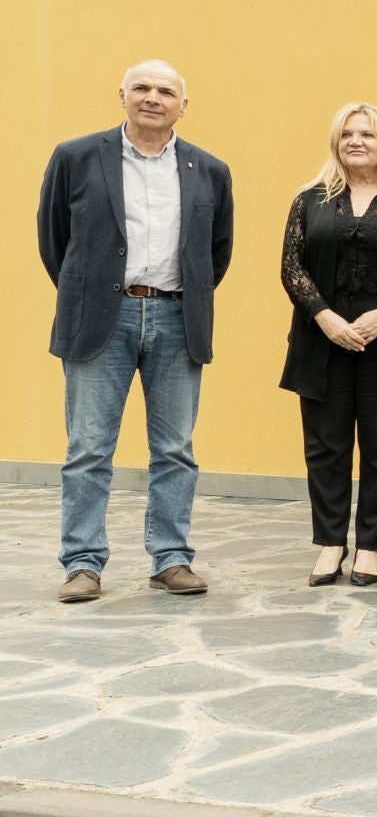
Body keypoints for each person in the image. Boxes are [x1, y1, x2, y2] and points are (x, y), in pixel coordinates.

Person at [37, 60, 234, 604]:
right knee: (88, 448)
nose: (154, 97)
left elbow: (216, 253)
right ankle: (82, 563)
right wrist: (92, 292)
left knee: (174, 449)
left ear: (183, 105)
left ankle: (171, 558)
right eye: (142, 88)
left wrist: (176, 294)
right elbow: (55, 240)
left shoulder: (210, 170)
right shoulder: (76, 157)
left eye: (166, 91)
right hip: (102, 316)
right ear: (121, 95)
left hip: (177, 318)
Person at [280, 103, 377, 587]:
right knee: (325, 448)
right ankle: (331, 543)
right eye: (347, 134)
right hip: (322, 341)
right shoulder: (310, 199)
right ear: (336, 142)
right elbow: (292, 266)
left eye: (367, 134)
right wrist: (324, 316)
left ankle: (369, 546)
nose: (356, 141)